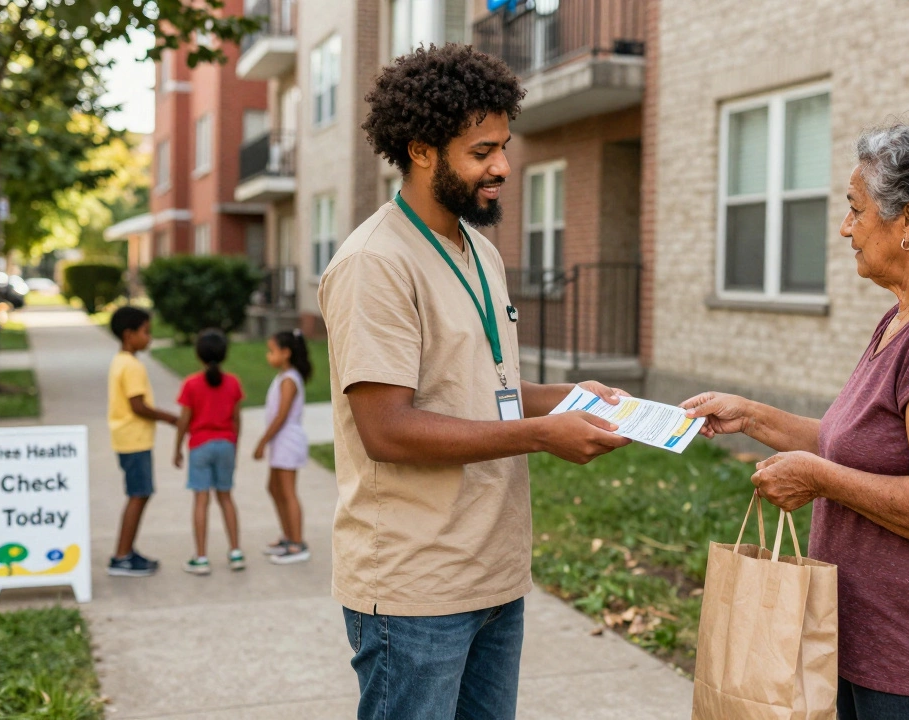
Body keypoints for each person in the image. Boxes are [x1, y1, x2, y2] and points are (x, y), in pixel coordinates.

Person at [321, 43, 631, 720]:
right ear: (422, 149)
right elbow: (387, 429)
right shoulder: (375, 263)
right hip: (416, 587)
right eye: (483, 151)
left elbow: (480, 390)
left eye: (504, 146)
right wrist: (542, 435)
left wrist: (576, 398)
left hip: (494, 573)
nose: (503, 167)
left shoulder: (478, 248)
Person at [683, 123, 909, 719]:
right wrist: (751, 416)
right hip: (874, 642)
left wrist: (818, 480)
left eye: (855, 210)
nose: (845, 228)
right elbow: (860, 446)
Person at [107, 306, 178, 577]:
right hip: (134, 440)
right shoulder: (132, 366)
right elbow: (138, 406)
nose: (149, 338)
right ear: (129, 334)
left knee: (140, 493)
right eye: (146, 332)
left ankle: (127, 551)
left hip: (128, 439)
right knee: (138, 494)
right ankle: (122, 556)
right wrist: (171, 418)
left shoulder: (120, 361)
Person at [173, 329, 246, 576]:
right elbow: (237, 420)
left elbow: (184, 420)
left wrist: (177, 448)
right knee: (226, 497)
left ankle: (201, 558)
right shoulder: (233, 382)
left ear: (198, 354)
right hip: (225, 444)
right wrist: (234, 447)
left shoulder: (191, 384)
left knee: (201, 501)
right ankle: (235, 552)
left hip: (200, 446)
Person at [254, 328, 312, 565]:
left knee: (287, 492)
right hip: (281, 441)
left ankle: (297, 543)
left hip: (287, 440)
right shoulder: (283, 376)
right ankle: (288, 537)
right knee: (274, 488)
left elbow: (281, 416)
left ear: (286, 353)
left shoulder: (290, 380)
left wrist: (262, 442)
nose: (269, 356)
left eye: (272, 351)